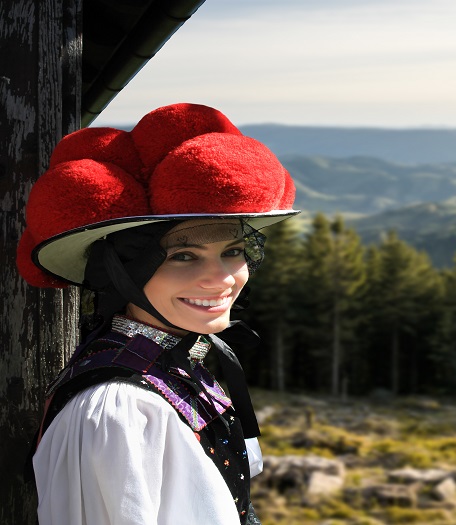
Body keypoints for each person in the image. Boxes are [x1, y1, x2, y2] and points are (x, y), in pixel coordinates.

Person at [17, 103, 298, 525]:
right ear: (123, 271)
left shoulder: (170, 368)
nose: (220, 279)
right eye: (183, 256)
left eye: (233, 251)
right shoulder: (119, 413)